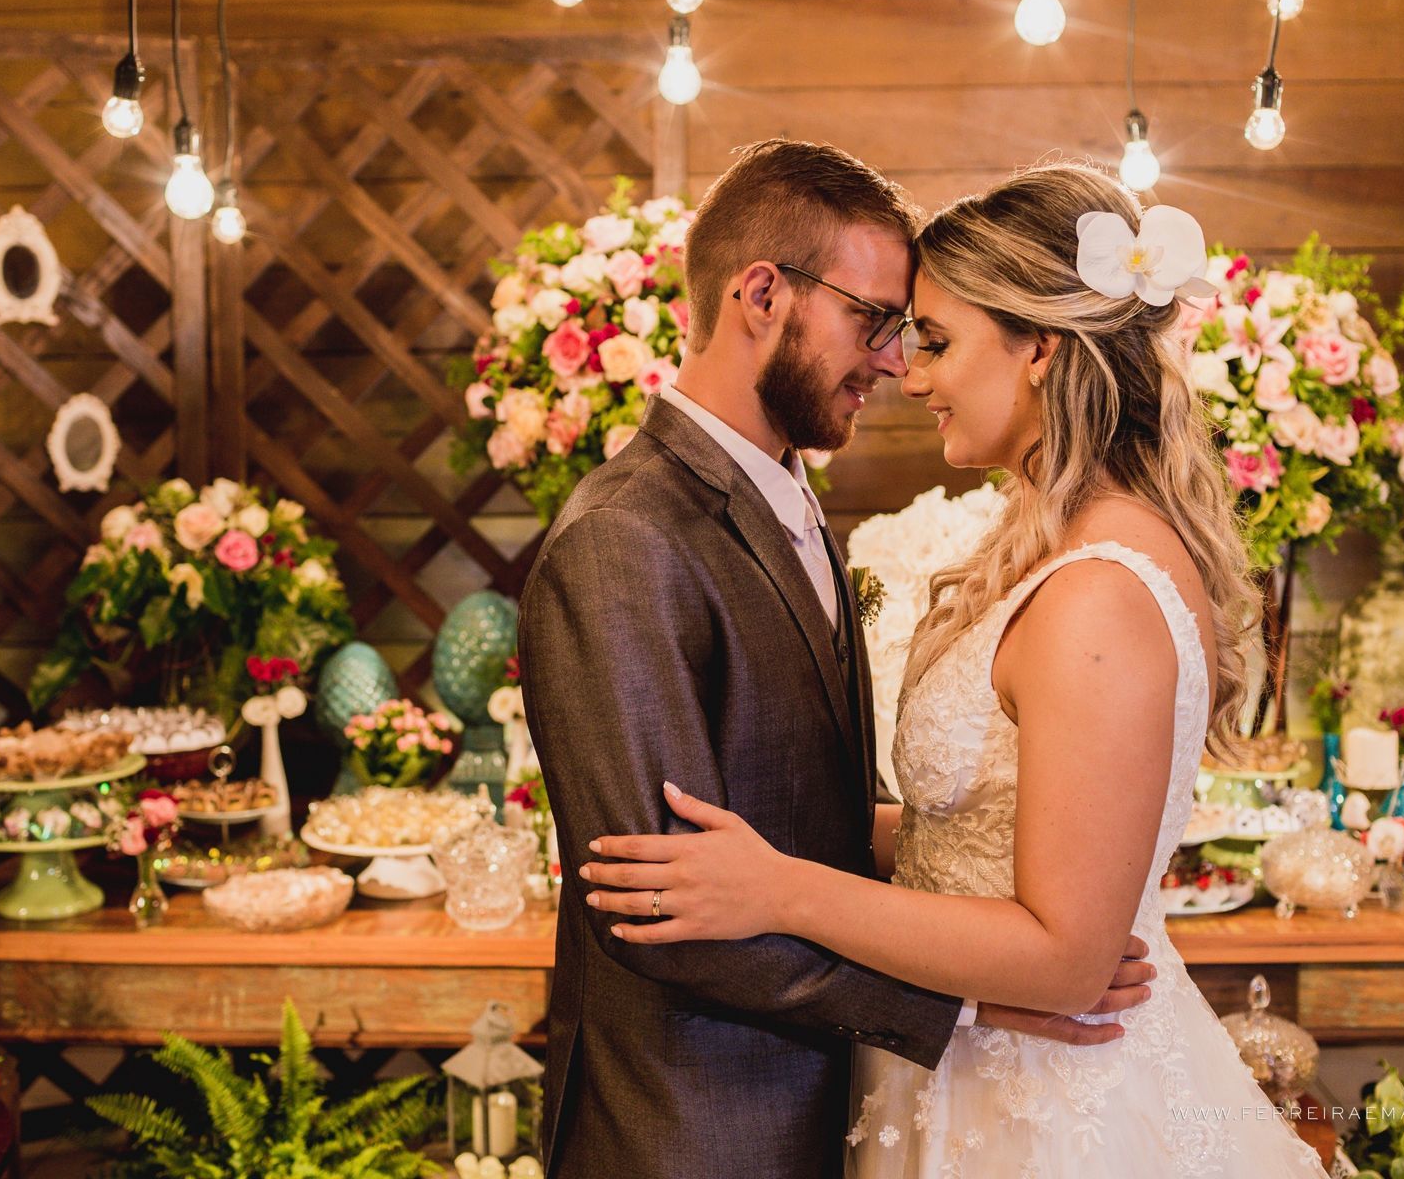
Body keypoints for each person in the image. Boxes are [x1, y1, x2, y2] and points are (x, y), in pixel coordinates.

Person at [576, 163, 1329, 1176]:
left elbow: (1066, 955)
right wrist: (770, 864)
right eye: (898, 334)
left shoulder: (1100, 589)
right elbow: (964, 831)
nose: (910, 373)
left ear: (1041, 351)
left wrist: (782, 888)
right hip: (960, 1074)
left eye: (934, 338)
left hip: (1049, 1108)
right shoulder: (1055, 541)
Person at [518, 142, 1154, 1179]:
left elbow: (799, 818)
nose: (895, 362)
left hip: (824, 1106)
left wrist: (1006, 879)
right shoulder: (623, 540)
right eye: (873, 319)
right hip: (695, 1131)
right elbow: (663, 907)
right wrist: (978, 995)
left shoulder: (791, 498)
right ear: (762, 293)